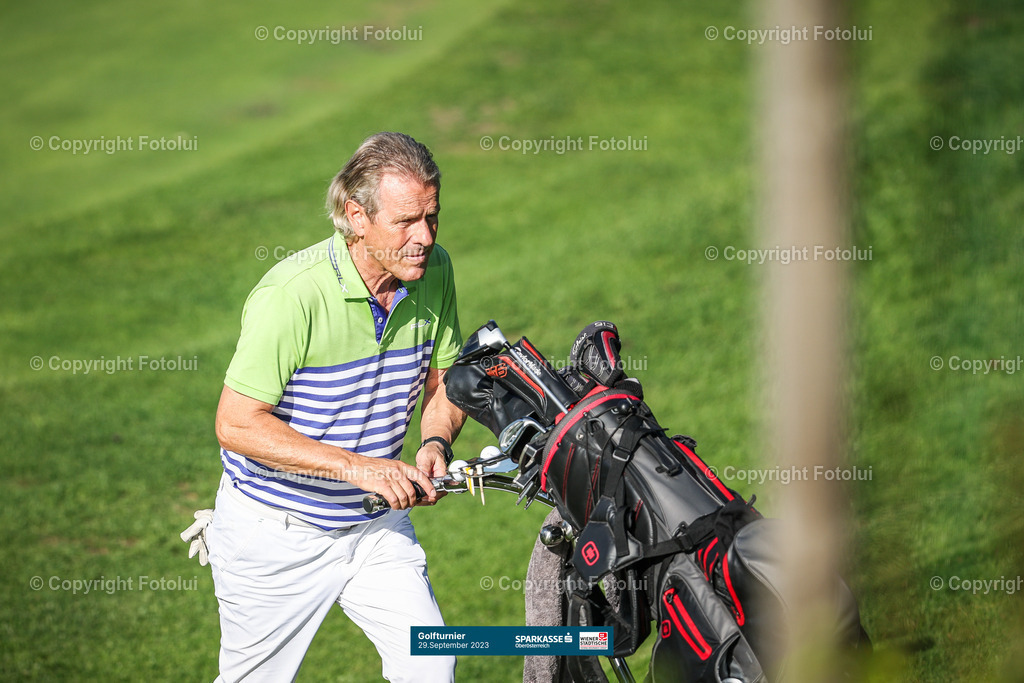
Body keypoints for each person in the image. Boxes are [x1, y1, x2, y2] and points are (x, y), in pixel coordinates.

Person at [188, 132, 465, 682]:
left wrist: (435, 441)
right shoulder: (291, 294)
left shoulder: (435, 270)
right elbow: (235, 424)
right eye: (406, 221)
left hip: (374, 527)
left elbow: (445, 379)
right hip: (276, 532)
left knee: (431, 663)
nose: (425, 237)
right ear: (357, 216)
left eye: (432, 217)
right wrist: (358, 468)